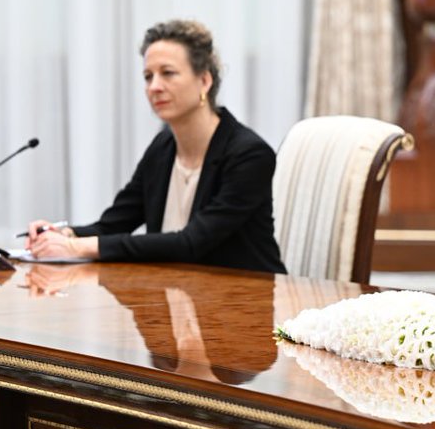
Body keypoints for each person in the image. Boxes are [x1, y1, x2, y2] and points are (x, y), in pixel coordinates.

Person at [25, 20, 286, 274]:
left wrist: (76, 247)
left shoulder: (249, 154)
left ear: (204, 81)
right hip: (177, 296)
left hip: (244, 302)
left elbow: (192, 243)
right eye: (148, 76)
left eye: (168, 73)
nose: (154, 87)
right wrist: (63, 234)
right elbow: (114, 224)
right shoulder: (163, 148)